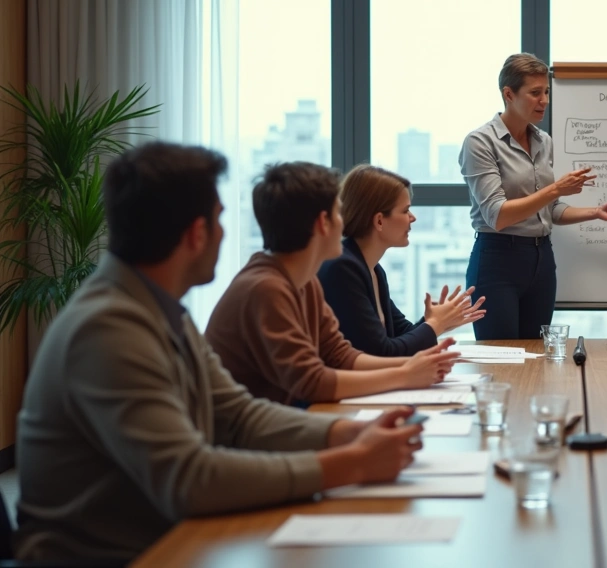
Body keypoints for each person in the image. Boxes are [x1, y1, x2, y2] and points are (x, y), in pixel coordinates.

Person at [15, 143, 425, 561]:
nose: (226, 233)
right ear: (197, 234)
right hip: (112, 556)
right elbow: (189, 478)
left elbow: (238, 414)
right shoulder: (106, 328)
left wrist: (346, 434)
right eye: (220, 220)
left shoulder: (158, 308)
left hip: (164, 537)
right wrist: (351, 464)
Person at [206, 162, 459, 406]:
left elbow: (341, 355)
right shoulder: (266, 288)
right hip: (249, 433)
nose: (345, 221)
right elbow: (312, 381)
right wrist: (404, 374)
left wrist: (418, 365)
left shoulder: (305, 282)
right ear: (322, 224)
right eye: (339, 212)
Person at [459, 52, 607, 339]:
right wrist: (555, 189)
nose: (544, 100)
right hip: (497, 259)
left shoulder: (544, 141)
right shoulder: (480, 142)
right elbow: (498, 216)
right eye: (534, 93)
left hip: (541, 260)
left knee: (536, 359)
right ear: (508, 94)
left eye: (546, 92)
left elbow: (549, 209)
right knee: (502, 361)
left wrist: (596, 211)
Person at [318, 165, 486, 356]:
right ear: (379, 221)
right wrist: (435, 324)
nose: (412, 218)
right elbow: (384, 352)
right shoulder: (343, 269)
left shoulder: (373, 269)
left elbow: (402, 334)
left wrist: (439, 320)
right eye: (406, 210)